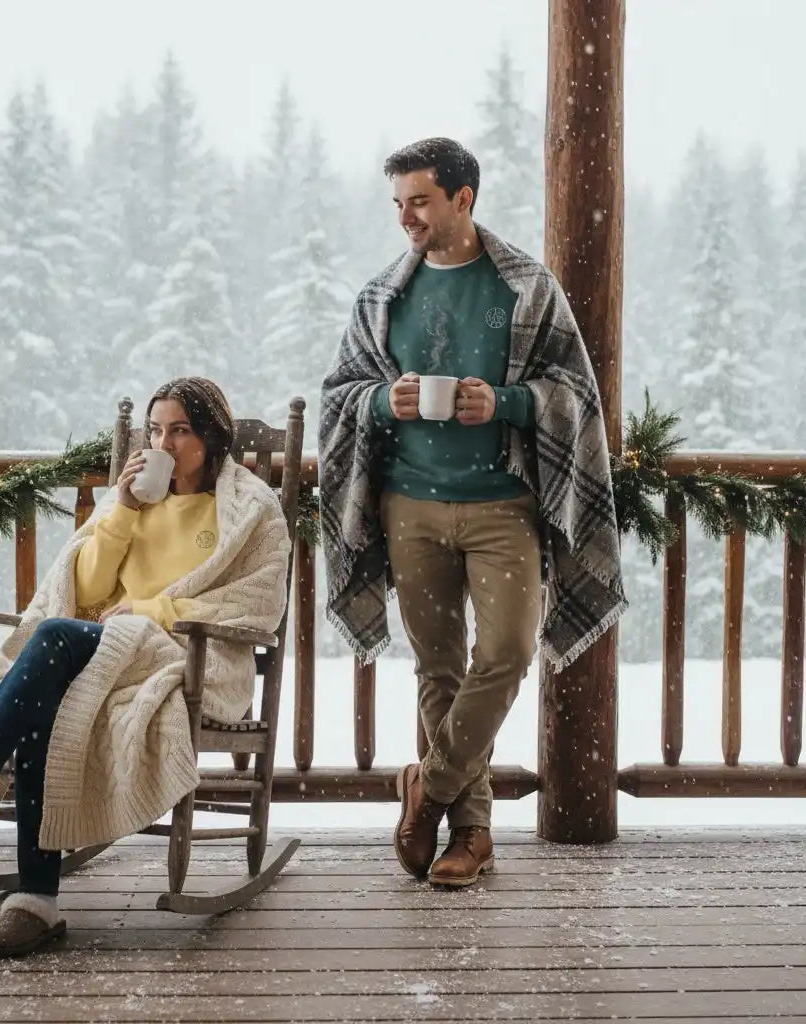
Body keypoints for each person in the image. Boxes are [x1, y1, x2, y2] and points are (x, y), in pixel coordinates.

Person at [0, 377, 290, 957]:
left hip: (179, 658)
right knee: (54, 688)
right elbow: (84, 586)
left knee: (55, 648)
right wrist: (122, 512)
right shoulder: (134, 501)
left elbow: (257, 604)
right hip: (99, 649)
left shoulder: (248, 510)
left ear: (211, 437)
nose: (161, 443)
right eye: (154, 430)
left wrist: (148, 612)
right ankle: (35, 902)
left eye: (179, 430)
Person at [318, 138, 626, 887]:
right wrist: (375, 402)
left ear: (464, 198)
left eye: (419, 201)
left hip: (502, 509)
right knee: (438, 668)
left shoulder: (523, 287)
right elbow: (339, 392)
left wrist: (508, 401)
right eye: (398, 204)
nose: (406, 218)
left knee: (510, 652)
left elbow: (575, 395)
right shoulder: (382, 295)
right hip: (410, 507)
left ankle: (432, 787)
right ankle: (471, 835)